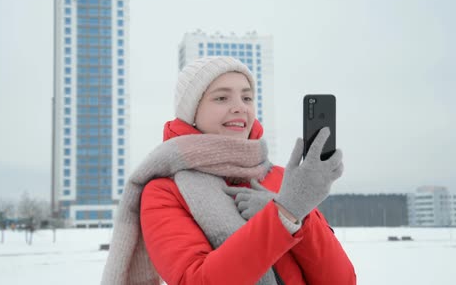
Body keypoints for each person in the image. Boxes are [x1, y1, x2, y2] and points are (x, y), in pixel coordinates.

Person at [101, 56, 356, 285]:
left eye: (246, 97)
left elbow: (342, 281)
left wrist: (301, 218)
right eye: (222, 98)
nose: (240, 107)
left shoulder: (282, 179)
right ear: (191, 113)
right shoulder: (164, 191)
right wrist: (283, 215)